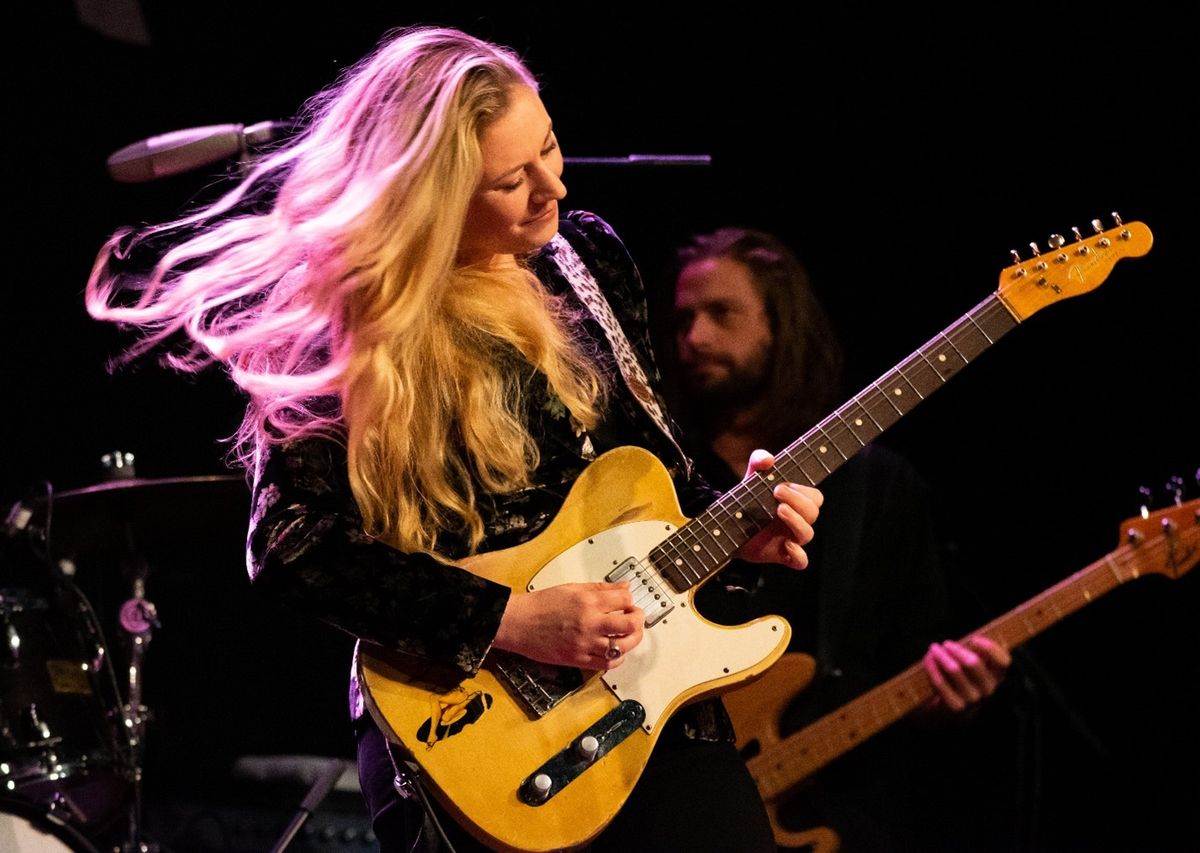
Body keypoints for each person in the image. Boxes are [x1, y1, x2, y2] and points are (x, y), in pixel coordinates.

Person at [84, 27, 825, 853]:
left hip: (655, 701)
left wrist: (738, 535)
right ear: (432, 201)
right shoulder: (352, 325)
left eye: (549, 146)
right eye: (511, 180)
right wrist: (511, 619)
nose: (555, 186)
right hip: (474, 733)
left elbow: (655, 481)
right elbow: (293, 545)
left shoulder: (587, 257)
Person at [667, 227, 1014, 851]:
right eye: (685, 317)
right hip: (672, 798)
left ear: (782, 325)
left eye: (722, 313)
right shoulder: (661, 470)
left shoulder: (878, 486)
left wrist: (955, 693)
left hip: (845, 812)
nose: (695, 338)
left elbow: (918, 650)